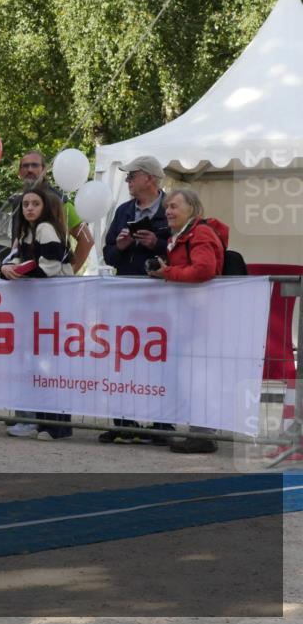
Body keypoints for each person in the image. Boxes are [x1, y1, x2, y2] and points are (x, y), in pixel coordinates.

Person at [147, 187, 228, 455]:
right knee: (192, 375)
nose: (168, 211)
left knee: (200, 376)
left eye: (174, 206)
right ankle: (199, 432)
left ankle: (203, 435)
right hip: (191, 316)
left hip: (203, 316)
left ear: (191, 209)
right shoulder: (181, 236)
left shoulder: (200, 233)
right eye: (167, 206)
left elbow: (204, 270)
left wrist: (168, 272)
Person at [99, 156, 173, 444]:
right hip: (125, 296)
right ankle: (124, 422)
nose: (128, 181)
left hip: (161, 298)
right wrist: (120, 246)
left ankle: (162, 425)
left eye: (132, 176)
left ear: (150, 178)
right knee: (122, 357)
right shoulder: (123, 210)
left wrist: (157, 244)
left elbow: (181, 250)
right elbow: (108, 254)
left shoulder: (171, 208)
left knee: (162, 358)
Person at [0, 188, 74, 441]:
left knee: (51, 365)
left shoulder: (46, 230)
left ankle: (56, 426)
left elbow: (50, 267)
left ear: (44, 207)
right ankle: (39, 421)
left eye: (35, 204)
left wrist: (19, 272)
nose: (29, 208)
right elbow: (10, 259)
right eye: (26, 204)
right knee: (37, 365)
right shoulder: (25, 233)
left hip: (53, 305)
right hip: (37, 308)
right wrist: (7, 269)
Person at [4, 150, 93, 274]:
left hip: (52, 284)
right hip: (24, 282)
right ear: (19, 172)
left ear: (44, 170)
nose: (29, 170)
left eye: (34, 165)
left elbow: (87, 240)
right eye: (25, 166)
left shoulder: (59, 201)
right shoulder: (19, 201)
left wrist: (69, 274)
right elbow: (17, 243)